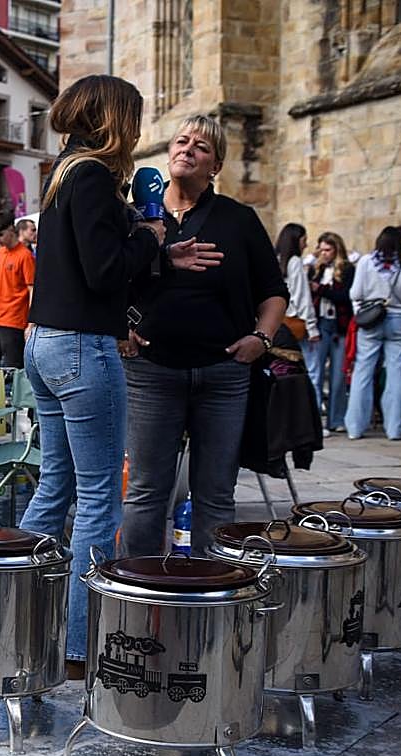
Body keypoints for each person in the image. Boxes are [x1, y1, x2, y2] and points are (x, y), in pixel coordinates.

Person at [21, 82, 223, 678]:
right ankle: (79, 646)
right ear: (114, 118)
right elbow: (105, 270)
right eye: (134, 116)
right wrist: (149, 237)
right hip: (83, 347)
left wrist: (160, 257)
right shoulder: (90, 175)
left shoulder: (66, 169)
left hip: (47, 341)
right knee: (98, 500)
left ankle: (19, 614)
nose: (139, 128)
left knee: (55, 487)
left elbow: (92, 266)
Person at [120, 112, 285, 563]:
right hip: (151, 372)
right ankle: (139, 584)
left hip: (223, 373)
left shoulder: (238, 219)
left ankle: (213, 584)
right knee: (146, 492)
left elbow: (273, 291)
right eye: (181, 141)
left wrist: (262, 338)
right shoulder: (135, 217)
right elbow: (107, 281)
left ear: (216, 166)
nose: (188, 149)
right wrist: (120, 329)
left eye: (202, 146)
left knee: (215, 492)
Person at [345, 226, 401, 440]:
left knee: (363, 371)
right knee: (396, 374)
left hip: (372, 319)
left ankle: (355, 427)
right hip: (398, 320)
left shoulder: (366, 262)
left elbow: (355, 293)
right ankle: (395, 428)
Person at [305, 232, 355, 433]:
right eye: (322, 249)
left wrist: (322, 290)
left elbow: (346, 296)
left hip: (339, 324)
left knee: (338, 376)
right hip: (320, 323)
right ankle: (315, 419)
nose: (324, 253)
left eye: (328, 249)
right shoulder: (315, 269)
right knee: (316, 373)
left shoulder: (347, 269)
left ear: (336, 249)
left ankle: (337, 419)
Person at [0, 209, 35, 368]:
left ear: (12, 230)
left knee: (13, 370)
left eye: (0, 234)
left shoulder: (25, 256)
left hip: (15, 322)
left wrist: (30, 323)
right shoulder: (1, 252)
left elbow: (33, 290)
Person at [276, 223, 318, 344]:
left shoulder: (275, 260)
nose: (306, 245)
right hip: (292, 321)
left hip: (274, 321)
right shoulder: (295, 262)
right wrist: (312, 328)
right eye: (304, 240)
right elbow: (301, 296)